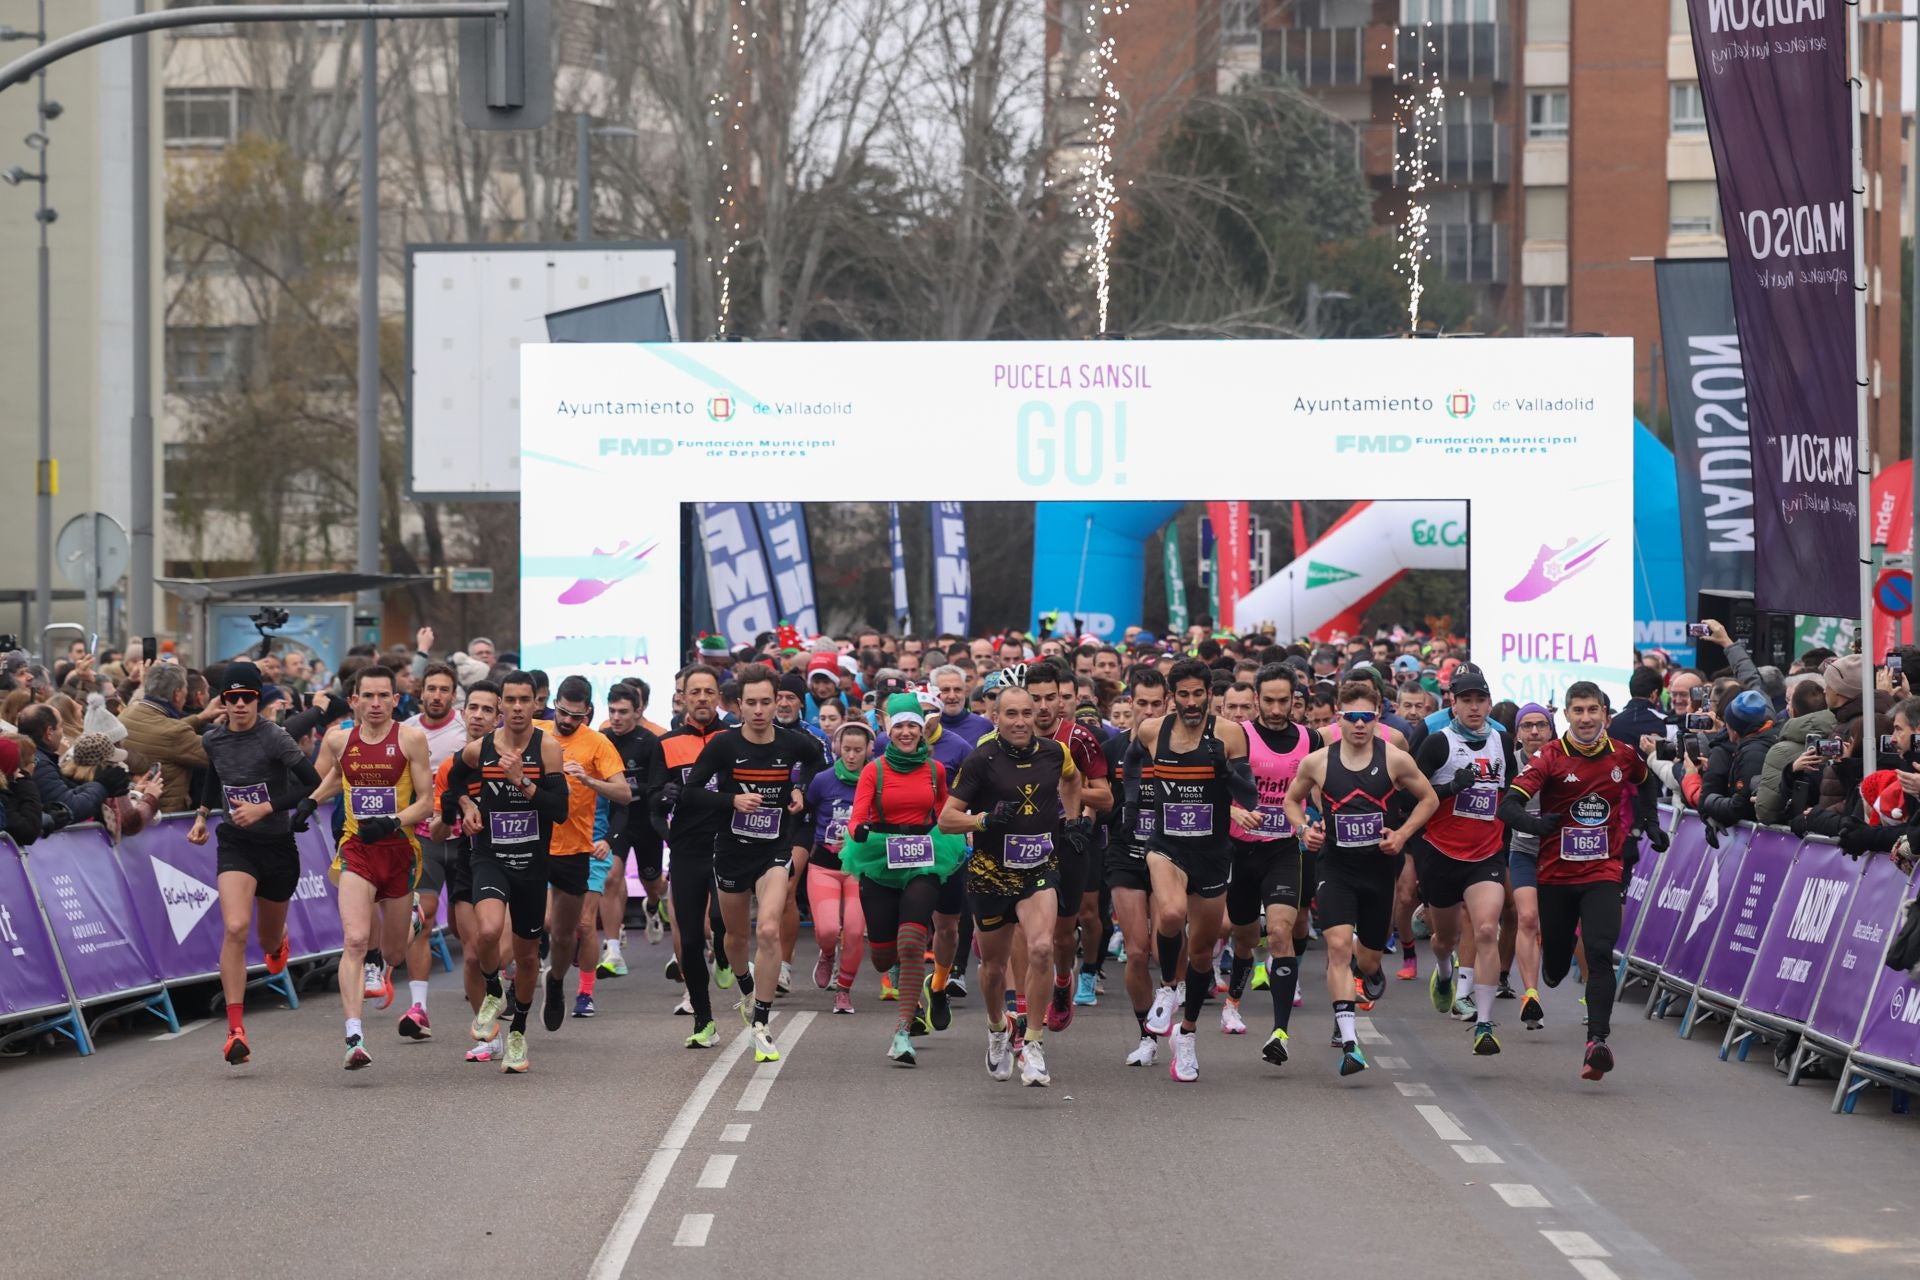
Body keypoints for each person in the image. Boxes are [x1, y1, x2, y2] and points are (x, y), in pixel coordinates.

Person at [1499, 681, 1653, 1083]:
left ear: (1605, 713)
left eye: (1593, 710)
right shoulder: (1550, 757)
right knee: (1553, 964)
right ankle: (1553, 968)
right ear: (1565, 715)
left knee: (1601, 952)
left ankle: (1596, 1042)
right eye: (1578, 711)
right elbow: (1509, 806)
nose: (1586, 718)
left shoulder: (1622, 754)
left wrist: (1649, 822)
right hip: (1554, 876)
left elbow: (1644, 778)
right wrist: (1535, 823)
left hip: (1603, 870)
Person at [1284, 679, 1438, 1077]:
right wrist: (1304, 829)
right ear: (1340, 717)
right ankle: (1350, 1041)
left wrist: (1402, 835)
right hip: (1334, 866)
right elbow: (1290, 799)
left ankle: (1371, 972)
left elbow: (1429, 799)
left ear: (1377, 716)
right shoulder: (1317, 761)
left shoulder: (1395, 759)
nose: (1358, 725)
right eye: (1351, 717)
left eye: (1366, 718)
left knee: (1366, 955)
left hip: (1378, 869)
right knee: (1337, 946)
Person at [679, 663, 825, 1063]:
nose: (760, 710)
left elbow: (816, 762)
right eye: (752, 703)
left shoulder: (792, 742)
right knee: (735, 938)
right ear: (738, 705)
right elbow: (689, 794)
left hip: (774, 849)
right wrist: (732, 800)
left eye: (767, 702)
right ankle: (746, 988)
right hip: (731, 850)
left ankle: (760, 1023)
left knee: (770, 929)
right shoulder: (724, 746)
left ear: (777, 702)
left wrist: (799, 787)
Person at [939, 684, 1082, 1087]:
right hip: (990, 874)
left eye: (1026, 713)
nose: (1020, 721)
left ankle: (1033, 1043)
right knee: (993, 968)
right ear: (995, 718)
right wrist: (982, 821)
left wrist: (1070, 821)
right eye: (1011, 714)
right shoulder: (981, 759)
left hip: (1039, 866)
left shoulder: (1055, 752)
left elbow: (1072, 781)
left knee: (1040, 948)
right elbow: (947, 819)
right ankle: (997, 1028)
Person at [300, 666, 435, 1070]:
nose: (375, 704)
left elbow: (426, 801)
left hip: (398, 851)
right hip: (357, 850)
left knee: (392, 952)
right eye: (367, 696)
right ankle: (354, 1037)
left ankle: (410, 920)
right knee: (356, 940)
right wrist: (311, 801)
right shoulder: (341, 740)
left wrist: (394, 821)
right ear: (354, 700)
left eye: (383, 696)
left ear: (395, 700)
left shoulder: (410, 738)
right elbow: (337, 776)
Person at [187, 662, 321, 1066]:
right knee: (235, 926)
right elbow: (216, 774)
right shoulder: (214, 739)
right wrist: (203, 812)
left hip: (278, 845)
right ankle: (235, 1030)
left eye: (248, 698)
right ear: (223, 701)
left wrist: (266, 807)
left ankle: (278, 941)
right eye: (233, 698)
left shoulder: (275, 738)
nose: (241, 704)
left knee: (265, 941)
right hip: (236, 843)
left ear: (258, 701)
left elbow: (311, 783)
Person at [1132, 658, 1258, 1083]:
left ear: (1210, 694)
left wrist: (1222, 767)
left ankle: (1186, 1035)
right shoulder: (1153, 730)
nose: (1190, 702)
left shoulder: (1229, 734)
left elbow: (1250, 796)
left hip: (1212, 851)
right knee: (1168, 915)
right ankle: (1168, 986)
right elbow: (1132, 765)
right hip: (1166, 845)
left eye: (1197, 694)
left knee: (1202, 952)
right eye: (1182, 695)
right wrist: (1136, 807)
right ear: (1172, 697)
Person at [443, 671, 570, 1074]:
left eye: (524, 700)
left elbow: (560, 810)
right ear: (500, 704)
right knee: (485, 932)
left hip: (532, 863)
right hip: (490, 857)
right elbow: (452, 782)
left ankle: (517, 1032)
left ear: (536, 704)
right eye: (510, 700)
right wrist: (467, 806)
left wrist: (523, 784)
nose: (517, 707)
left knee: (528, 956)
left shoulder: (546, 748)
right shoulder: (480, 749)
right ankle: (494, 991)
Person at [840, 694, 971, 1064]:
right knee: (883, 955)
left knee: (913, 939)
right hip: (880, 854)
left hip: (925, 855)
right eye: (900, 726)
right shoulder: (874, 770)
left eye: (913, 725)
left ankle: (902, 1031)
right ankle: (902, 979)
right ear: (889, 730)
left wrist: (965, 828)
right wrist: (859, 830)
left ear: (922, 729)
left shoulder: (935, 770)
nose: (907, 732)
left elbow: (946, 809)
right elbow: (857, 814)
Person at [1407, 669, 1514, 1054]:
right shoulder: (1439, 743)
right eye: (1466, 700)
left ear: (1488, 703)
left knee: (1487, 929)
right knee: (1445, 938)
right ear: (1453, 702)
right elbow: (1411, 796)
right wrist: (1450, 788)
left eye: (1480, 700)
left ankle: (1484, 1024)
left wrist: (1530, 822)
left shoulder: (1502, 741)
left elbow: (1510, 795)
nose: (1474, 707)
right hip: (1440, 852)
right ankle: (1444, 972)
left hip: (1485, 853)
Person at [1225, 663, 1313, 1067]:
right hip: (1240, 851)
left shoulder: (1310, 739)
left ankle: (1279, 1032)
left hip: (1282, 850)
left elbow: (1326, 785)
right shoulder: (1239, 736)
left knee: (1280, 932)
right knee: (1244, 937)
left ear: (1296, 699)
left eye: (1285, 701)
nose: (1278, 709)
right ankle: (1233, 1000)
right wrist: (1233, 811)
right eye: (1270, 701)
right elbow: (1212, 786)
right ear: (1256, 699)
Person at [546, 676, 633, 1022]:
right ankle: (540, 975)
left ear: (589, 713)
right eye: (563, 713)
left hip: (586, 845)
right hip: (539, 844)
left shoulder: (598, 744)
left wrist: (587, 780)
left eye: (576, 716)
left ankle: (584, 992)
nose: (568, 721)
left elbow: (625, 796)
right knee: (547, 923)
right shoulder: (536, 732)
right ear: (554, 704)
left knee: (583, 924)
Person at [427, 680, 504, 1062]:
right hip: (468, 860)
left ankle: (510, 1002)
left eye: (486, 709)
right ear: (463, 713)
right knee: (472, 954)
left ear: (498, 716)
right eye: (472, 708)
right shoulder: (449, 768)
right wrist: (449, 816)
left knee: (501, 953)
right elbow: (439, 829)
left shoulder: (512, 758)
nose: (477, 715)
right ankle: (488, 1033)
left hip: (513, 861)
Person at [658, 665, 733, 1045]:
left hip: (729, 845)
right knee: (689, 940)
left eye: (709, 691)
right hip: (687, 850)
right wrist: (664, 802)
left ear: (719, 697)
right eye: (695, 692)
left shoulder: (735, 739)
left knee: (721, 921)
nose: (702, 698)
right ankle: (703, 1021)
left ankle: (723, 951)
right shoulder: (668, 743)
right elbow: (652, 805)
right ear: (683, 698)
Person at [398, 661, 466, 1037]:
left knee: (463, 928)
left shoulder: (464, 732)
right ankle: (418, 1009)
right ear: (420, 692)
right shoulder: (406, 731)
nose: (437, 695)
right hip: (424, 838)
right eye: (431, 689)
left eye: (444, 690)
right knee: (421, 916)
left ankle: (494, 982)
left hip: (464, 840)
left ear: (453, 695)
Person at [1106, 669, 1166, 1066]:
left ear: (1168, 704)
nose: (1146, 711)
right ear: (1129, 703)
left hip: (1170, 854)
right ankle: (1147, 1035)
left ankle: (1173, 1009)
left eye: (1155, 704)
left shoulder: (1183, 748)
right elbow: (1095, 795)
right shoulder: (1110, 749)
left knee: (1165, 947)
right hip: (1124, 855)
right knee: (1138, 951)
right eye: (1140, 703)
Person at [599, 682, 669, 974]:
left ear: (638, 712)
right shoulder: (601, 739)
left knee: (652, 880)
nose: (616, 717)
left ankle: (653, 906)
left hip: (645, 819)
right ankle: (613, 947)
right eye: (612, 711)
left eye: (623, 712)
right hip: (615, 819)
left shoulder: (650, 742)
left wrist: (626, 787)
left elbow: (656, 786)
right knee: (611, 876)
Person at [804, 721, 873, 1013]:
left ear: (869, 750)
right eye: (847, 749)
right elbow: (805, 812)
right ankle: (827, 953)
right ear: (837, 748)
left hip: (859, 868)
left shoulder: (874, 780)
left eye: (858, 750)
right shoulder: (822, 780)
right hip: (824, 866)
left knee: (856, 931)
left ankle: (843, 991)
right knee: (829, 929)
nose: (852, 756)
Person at [1505, 704, 1556, 1031]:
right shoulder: (1510, 764)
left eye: (1541, 725)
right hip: (1522, 851)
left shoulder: (1565, 762)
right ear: (1518, 732)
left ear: (1552, 730)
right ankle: (1531, 994)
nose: (1534, 732)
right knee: (1527, 918)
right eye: (1527, 726)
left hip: (1560, 856)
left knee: (1559, 927)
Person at [118, 661, 221, 813]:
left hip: (137, 811)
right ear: (177, 694)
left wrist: (200, 718)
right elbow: (221, 755)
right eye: (186, 688)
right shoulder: (175, 733)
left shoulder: (128, 713)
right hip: (166, 818)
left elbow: (160, 730)